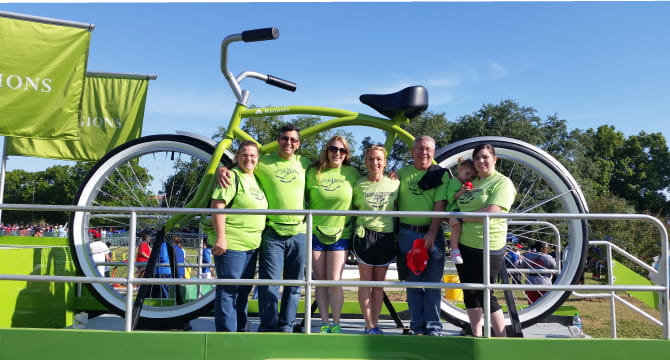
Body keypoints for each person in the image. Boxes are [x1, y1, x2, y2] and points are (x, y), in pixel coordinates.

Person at [218, 124, 310, 332]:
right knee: (269, 284)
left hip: (299, 233)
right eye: (284, 138)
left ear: (298, 144)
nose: (288, 142)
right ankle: (268, 327)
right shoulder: (263, 162)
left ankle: (286, 326)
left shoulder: (305, 164)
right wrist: (222, 169)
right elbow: (243, 164)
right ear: (278, 140)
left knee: (294, 286)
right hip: (272, 233)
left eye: (293, 140)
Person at [451, 143, 517, 337]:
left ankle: (501, 337)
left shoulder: (502, 183)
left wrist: (461, 217)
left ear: (494, 159)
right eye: (478, 158)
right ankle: (476, 334)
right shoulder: (471, 182)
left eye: (485, 157)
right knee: (469, 291)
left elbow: (492, 212)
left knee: (485, 293)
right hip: (464, 243)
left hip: (488, 245)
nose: (481, 161)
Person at [210, 141, 268, 332]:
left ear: (258, 158)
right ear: (237, 157)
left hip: (252, 246)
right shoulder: (231, 177)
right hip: (232, 244)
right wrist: (221, 238)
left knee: (243, 291)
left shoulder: (257, 179)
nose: (248, 158)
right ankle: (226, 334)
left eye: (252, 155)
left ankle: (240, 330)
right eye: (244, 154)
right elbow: (217, 206)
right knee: (228, 290)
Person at [306, 136, 360, 333]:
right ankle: (324, 324)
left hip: (341, 234)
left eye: (342, 150)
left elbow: (370, 183)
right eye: (333, 149)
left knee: (334, 281)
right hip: (315, 233)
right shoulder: (313, 171)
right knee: (320, 281)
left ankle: (337, 324)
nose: (337, 153)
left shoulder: (352, 173)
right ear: (327, 150)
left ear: (346, 154)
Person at [397, 135, 448, 336]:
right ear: (412, 152)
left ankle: (434, 328)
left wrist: (432, 232)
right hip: (407, 234)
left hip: (432, 234)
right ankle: (417, 327)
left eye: (428, 149)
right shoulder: (400, 174)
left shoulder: (441, 175)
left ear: (434, 153)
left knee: (433, 285)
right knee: (413, 285)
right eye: (419, 149)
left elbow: (440, 205)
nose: (423, 153)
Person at [352, 145, 399, 335]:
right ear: (365, 162)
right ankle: (368, 324)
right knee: (365, 283)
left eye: (379, 159)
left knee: (378, 285)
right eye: (371, 159)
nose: (375, 163)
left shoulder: (395, 183)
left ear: (385, 162)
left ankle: (375, 325)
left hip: (386, 237)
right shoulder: (358, 185)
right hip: (365, 236)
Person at [445, 157, 477, 264]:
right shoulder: (454, 182)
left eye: (472, 176)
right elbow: (451, 197)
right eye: (467, 174)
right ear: (459, 170)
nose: (469, 178)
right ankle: (454, 250)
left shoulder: (464, 184)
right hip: (453, 210)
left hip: (461, 211)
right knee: (456, 227)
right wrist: (462, 191)